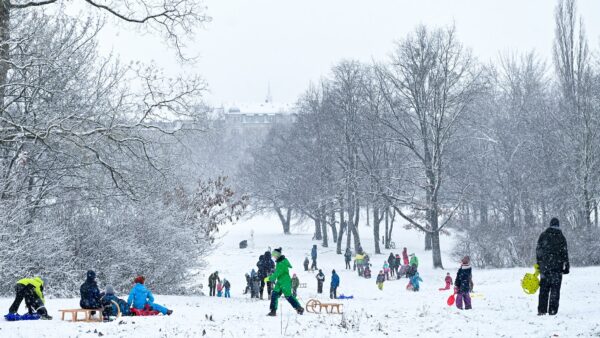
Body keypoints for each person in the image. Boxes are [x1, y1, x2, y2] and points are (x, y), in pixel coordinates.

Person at [536, 217, 569, 316]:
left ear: (550, 224)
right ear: (558, 225)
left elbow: (538, 250)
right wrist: (566, 266)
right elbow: (565, 253)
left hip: (545, 268)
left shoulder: (543, 235)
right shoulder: (561, 237)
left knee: (544, 290)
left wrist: (539, 264)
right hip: (557, 268)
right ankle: (553, 311)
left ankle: (542, 310)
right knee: (555, 290)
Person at [265, 248, 304, 316]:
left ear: (277, 255)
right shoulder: (279, 262)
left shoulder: (281, 263)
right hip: (280, 282)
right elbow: (277, 273)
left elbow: (276, 274)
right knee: (274, 294)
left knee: (288, 296)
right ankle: (273, 311)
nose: (273, 257)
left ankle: (299, 308)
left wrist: (269, 278)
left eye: (274, 255)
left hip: (285, 282)